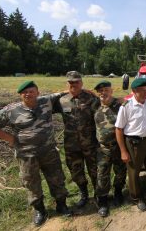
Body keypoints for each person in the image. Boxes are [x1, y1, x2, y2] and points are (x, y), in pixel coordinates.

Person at [0, 81, 72, 226]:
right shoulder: (11, 110)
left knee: (57, 179)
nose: (28, 94)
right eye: (25, 92)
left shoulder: (46, 101)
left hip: (49, 152)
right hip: (26, 155)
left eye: (31, 91)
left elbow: (67, 92)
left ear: (37, 92)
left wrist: (88, 91)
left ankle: (61, 205)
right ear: (20, 95)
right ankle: (40, 210)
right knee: (31, 183)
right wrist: (8, 137)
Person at [115, 77, 146, 212]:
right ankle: (137, 198)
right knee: (134, 173)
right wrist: (123, 151)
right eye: (141, 91)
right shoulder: (126, 106)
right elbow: (119, 129)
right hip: (133, 144)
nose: (145, 93)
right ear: (133, 92)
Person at [54, 71, 99, 208]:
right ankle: (84, 194)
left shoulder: (91, 99)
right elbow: (41, 105)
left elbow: (102, 112)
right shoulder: (61, 100)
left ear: (81, 83)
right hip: (71, 145)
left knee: (95, 170)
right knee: (76, 171)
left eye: (76, 82)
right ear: (67, 83)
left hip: (90, 143)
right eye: (70, 82)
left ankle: (98, 195)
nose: (73, 84)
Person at [93, 80, 127, 217]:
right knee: (102, 174)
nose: (103, 93)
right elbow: (82, 93)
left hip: (119, 147)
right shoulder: (94, 105)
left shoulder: (120, 105)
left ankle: (118, 192)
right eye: (100, 91)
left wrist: (124, 99)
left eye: (106, 90)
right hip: (102, 148)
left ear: (111, 91)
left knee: (120, 172)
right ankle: (102, 200)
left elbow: (133, 101)